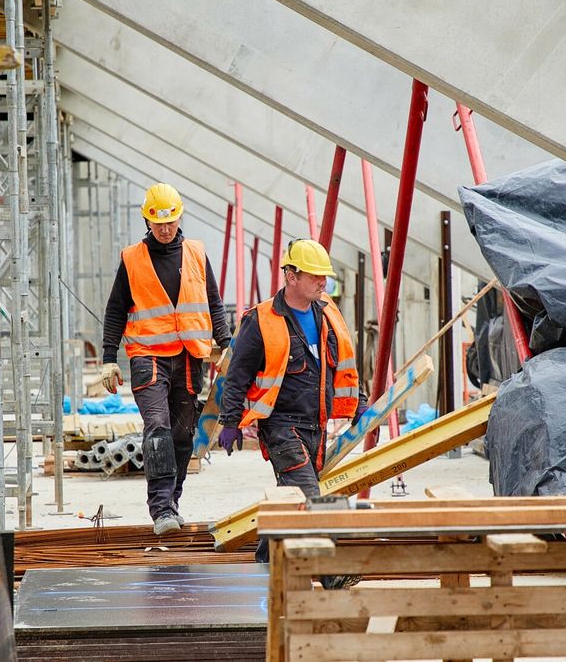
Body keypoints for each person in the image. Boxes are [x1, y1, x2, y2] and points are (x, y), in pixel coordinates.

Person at [217, 238, 367, 562]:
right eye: (314, 275)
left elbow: (344, 364)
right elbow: (237, 376)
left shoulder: (328, 312)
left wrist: (359, 403)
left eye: (323, 276)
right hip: (281, 426)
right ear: (291, 276)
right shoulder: (261, 320)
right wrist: (229, 422)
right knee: (312, 499)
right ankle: (334, 572)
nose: (321, 282)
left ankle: (266, 560)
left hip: (318, 426)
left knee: (291, 501)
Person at [100, 183, 231, 536]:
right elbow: (115, 311)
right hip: (148, 356)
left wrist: (227, 344)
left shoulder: (197, 253)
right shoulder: (132, 259)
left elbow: (214, 303)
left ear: (179, 216)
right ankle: (160, 509)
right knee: (157, 425)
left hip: (190, 356)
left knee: (182, 434)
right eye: (158, 222)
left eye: (170, 220)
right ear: (147, 220)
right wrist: (108, 358)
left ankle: (172, 502)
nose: (165, 228)